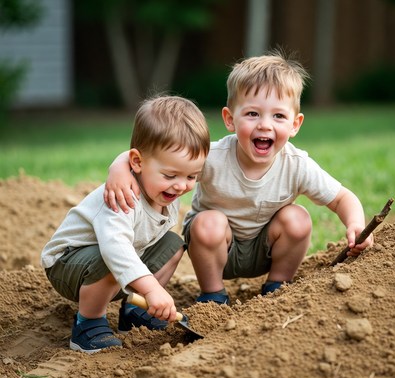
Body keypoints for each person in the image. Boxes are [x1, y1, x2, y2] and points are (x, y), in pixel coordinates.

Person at [104, 50, 373, 306]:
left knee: (298, 218)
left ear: (295, 124)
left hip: (266, 249)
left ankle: (278, 286)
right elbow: (156, 160)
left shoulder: (296, 164)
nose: (265, 125)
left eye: (279, 116)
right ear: (230, 119)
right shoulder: (214, 157)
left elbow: (341, 198)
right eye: (252, 113)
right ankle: (213, 295)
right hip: (217, 249)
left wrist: (356, 225)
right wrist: (119, 165)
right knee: (208, 222)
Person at [41, 95, 210, 353]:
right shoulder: (122, 196)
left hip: (110, 261)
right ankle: (88, 323)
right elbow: (115, 248)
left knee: (173, 245)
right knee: (112, 259)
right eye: (170, 175)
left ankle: (134, 310)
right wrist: (152, 288)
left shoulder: (164, 189)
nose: (181, 185)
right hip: (67, 265)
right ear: (137, 162)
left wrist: (149, 292)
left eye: (191, 176)